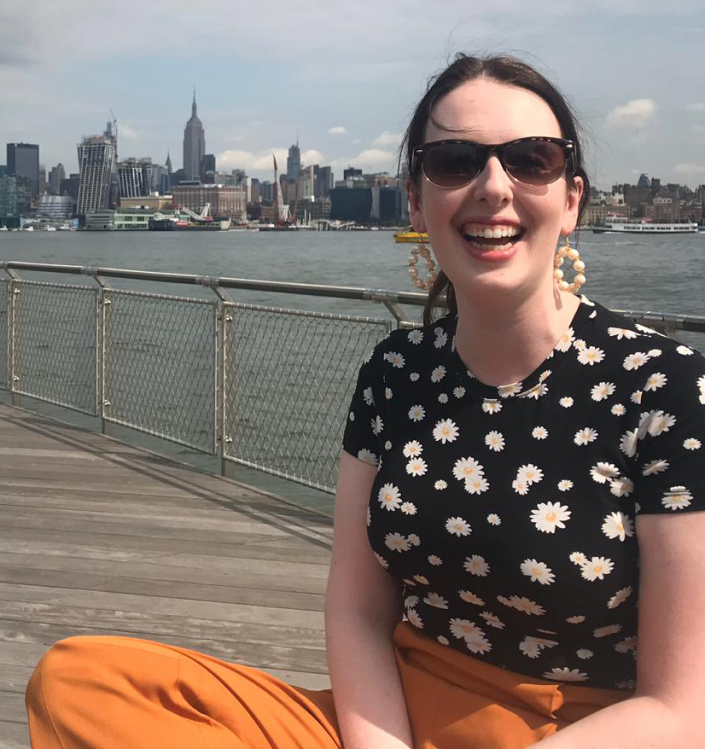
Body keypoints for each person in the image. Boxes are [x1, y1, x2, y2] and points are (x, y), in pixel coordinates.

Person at [26, 54, 705, 749]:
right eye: (455, 161)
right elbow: (356, 611)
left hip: (579, 731)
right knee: (82, 681)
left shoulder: (661, 385)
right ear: (416, 202)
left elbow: (682, 708)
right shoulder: (397, 371)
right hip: (394, 717)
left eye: (531, 159)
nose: (493, 185)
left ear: (569, 201)